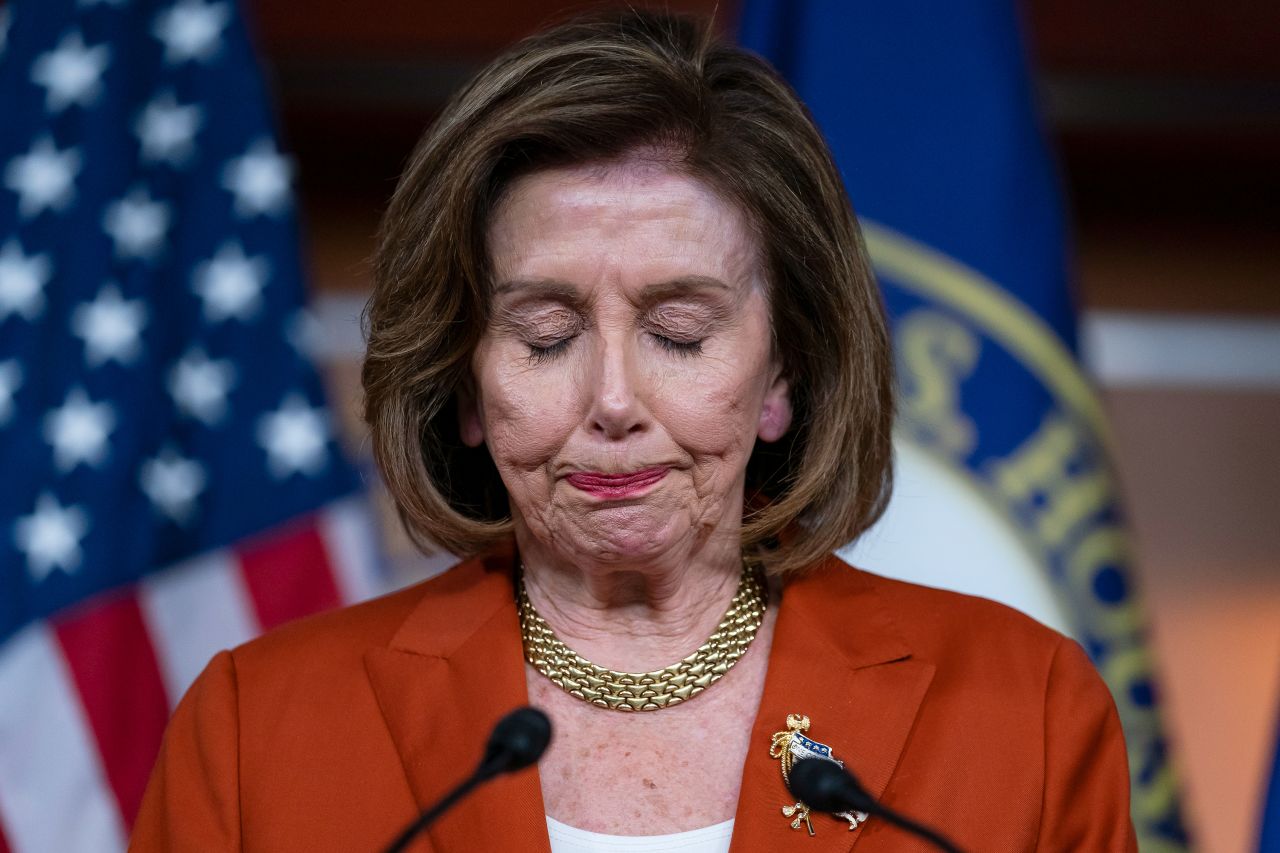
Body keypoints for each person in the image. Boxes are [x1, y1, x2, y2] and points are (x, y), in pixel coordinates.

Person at [132, 10, 1137, 852]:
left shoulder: (1020, 707)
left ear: (781, 373)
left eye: (677, 332)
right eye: (545, 334)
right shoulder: (258, 728)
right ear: (467, 385)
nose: (612, 399)